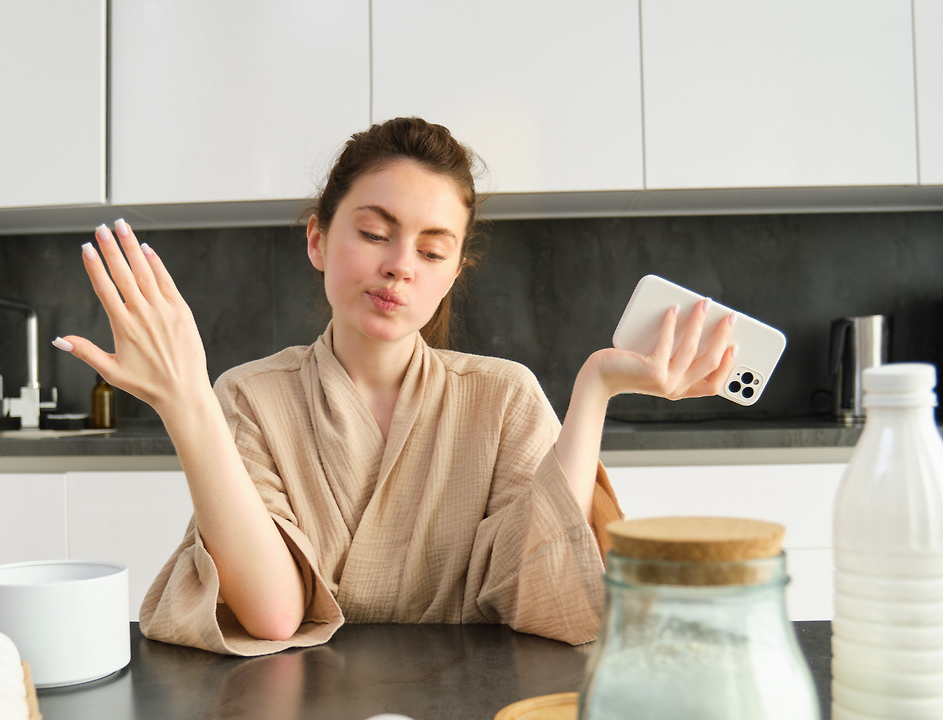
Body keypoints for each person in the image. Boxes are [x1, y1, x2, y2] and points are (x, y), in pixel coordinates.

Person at [53, 117, 737, 656]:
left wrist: (596, 388)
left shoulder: (503, 397)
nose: (401, 267)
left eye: (433, 250)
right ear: (318, 240)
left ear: (453, 271)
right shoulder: (248, 396)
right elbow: (274, 614)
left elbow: (549, 595)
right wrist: (188, 403)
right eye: (376, 233)